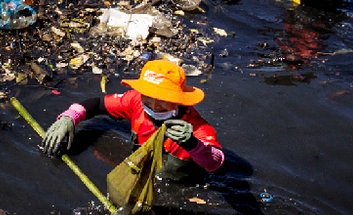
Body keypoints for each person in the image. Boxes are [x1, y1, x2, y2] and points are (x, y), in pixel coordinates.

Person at [41, 57, 225, 182]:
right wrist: (68, 118)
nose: (154, 105)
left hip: (178, 181)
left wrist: (192, 144)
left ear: (178, 100)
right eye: (148, 96)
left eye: (162, 100)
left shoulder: (196, 127)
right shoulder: (135, 100)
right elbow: (97, 104)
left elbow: (216, 164)